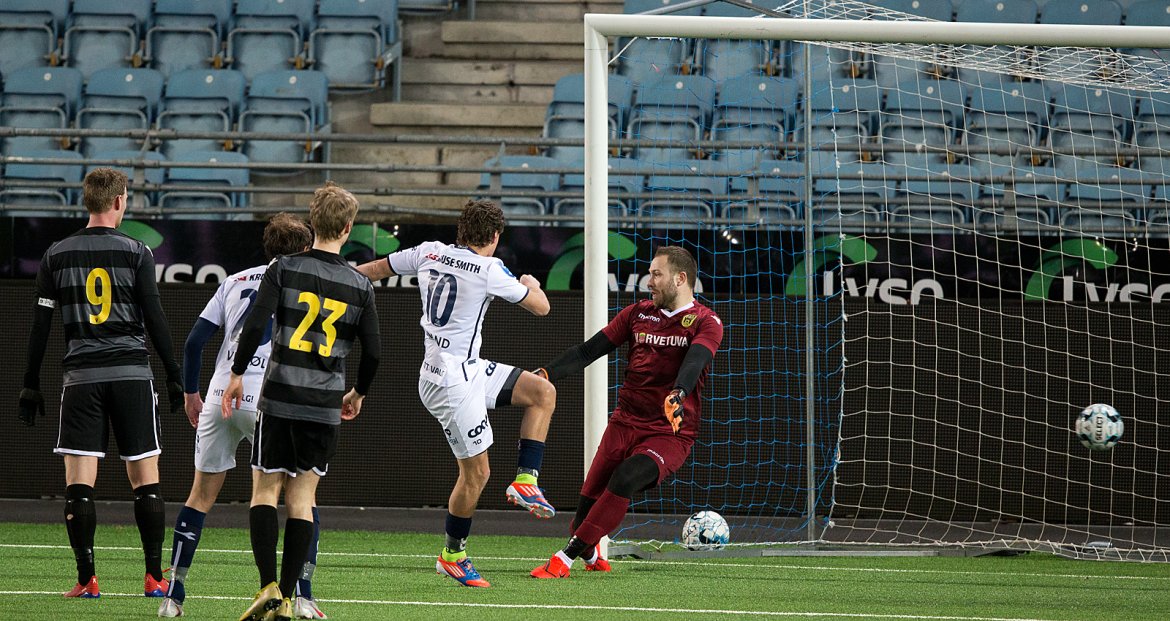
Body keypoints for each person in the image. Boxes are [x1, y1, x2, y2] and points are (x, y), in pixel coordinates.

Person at [355, 199, 556, 588]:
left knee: (540, 392)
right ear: (495, 237)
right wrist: (531, 284)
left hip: (463, 369)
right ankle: (453, 554)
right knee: (477, 473)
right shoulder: (489, 269)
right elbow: (543, 308)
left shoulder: (430, 251)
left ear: (460, 230)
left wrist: (336, 280)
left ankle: (527, 479)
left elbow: (375, 270)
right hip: (451, 382)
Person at [18, 168, 184, 599]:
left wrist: (29, 383)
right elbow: (155, 318)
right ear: (118, 202)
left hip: (81, 379)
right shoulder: (138, 251)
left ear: (87, 200)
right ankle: (153, 577)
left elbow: (40, 325)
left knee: (79, 485)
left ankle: (86, 579)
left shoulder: (56, 254)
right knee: (146, 479)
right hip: (132, 375)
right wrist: (173, 374)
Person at [158, 213, 328, 619]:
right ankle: (301, 596)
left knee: (200, 495)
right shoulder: (307, 282)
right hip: (267, 397)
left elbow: (195, 342)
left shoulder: (234, 281)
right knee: (301, 496)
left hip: (220, 394)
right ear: (304, 249)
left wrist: (191, 394)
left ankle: (172, 597)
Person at [226, 182, 380, 621]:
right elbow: (375, 351)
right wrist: (358, 393)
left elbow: (255, 325)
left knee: (264, 490)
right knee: (302, 498)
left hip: (278, 399)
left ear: (312, 222)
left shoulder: (284, 268)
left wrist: (237, 374)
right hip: (323, 402)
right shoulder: (359, 285)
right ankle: (290, 597)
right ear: (348, 228)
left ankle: (267, 586)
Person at [529, 246, 723, 578]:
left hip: (669, 432)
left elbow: (696, 361)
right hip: (623, 423)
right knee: (584, 515)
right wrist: (545, 374)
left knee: (625, 479)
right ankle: (592, 557)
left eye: (657, 274)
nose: (649, 281)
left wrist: (679, 392)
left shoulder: (707, 321)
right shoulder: (636, 314)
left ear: (681, 278)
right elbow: (589, 350)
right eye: (650, 274)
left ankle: (565, 558)